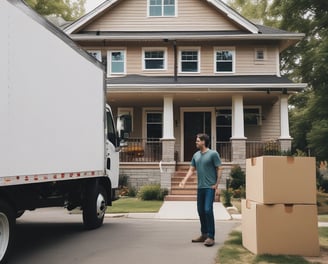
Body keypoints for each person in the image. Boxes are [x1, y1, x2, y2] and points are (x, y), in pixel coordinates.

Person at [179, 133, 222, 247]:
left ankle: (211, 236)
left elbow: (219, 168)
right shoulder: (196, 155)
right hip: (200, 187)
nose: (196, 142)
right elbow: (191, 170)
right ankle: (204, 234)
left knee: (208, 210)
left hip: (209, 187)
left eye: (198, 140)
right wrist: (184, 180)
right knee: (201, 211)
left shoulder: (213, 154)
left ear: (203, 142)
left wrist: (217, 184)